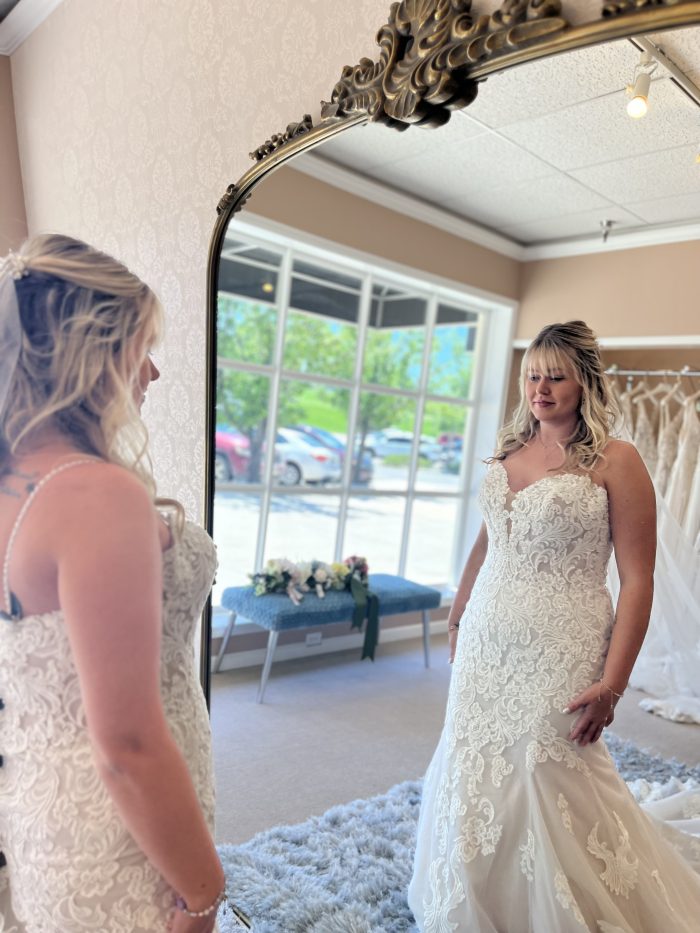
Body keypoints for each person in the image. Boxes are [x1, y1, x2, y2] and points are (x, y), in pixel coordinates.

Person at [408, 321, 700, 932]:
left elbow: (638, 580)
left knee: (548, 765)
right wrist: (458, 616)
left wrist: (614, 684)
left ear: (584, 382)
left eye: (556, 375)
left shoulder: (618, 461)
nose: (541, 387)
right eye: (533, 374)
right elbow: (487, 541)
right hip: (488, 636)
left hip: (562, 641)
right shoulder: (509, 448)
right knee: (476, 759)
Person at [0, 235, 226, 933]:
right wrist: (203, 890)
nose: (152, 372)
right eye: (140, 344)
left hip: (41, 815)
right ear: (90, 350)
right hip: (116, 835)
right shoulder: (96, 494)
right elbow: (125, 741)